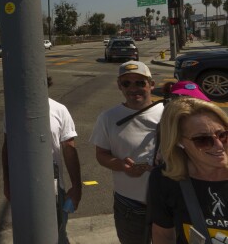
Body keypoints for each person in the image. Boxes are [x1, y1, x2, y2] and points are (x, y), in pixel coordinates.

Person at [89, 61, 164, 244]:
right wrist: (121, 165)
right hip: (130, 205)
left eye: (140, 82)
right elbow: (102, 155)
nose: (133, 88)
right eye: (126, 83)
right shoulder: (107, 118)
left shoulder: (169, 113)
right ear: (119, 86)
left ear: (151, 85)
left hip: (169, 202)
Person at [1, 76, 82, 244]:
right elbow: (7, 146)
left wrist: (76, 186)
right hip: (21, 187)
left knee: (55, 234)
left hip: (53, 187)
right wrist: (7, 182)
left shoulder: (59, 110)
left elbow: (69, 150)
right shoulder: (12, 111)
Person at [148, 97, 228, 243]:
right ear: (178, 141)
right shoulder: (165, 179)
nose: (219, 146)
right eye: (203, 140)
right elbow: (163, 234)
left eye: (222, 135)